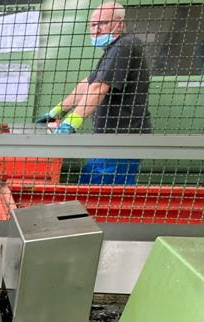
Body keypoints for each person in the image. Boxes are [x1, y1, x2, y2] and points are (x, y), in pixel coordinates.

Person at [35, 2, 151, 185]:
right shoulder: (113, 49)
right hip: (110, 141)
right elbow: (88, 84)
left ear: (119, 25)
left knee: (97, 192)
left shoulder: (124, 46)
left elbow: (99, 88)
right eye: (93, 25)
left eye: (102, 24)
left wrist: (70, 123)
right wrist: (57, 111)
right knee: (100, 189)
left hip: (120, 141)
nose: (96, 30)